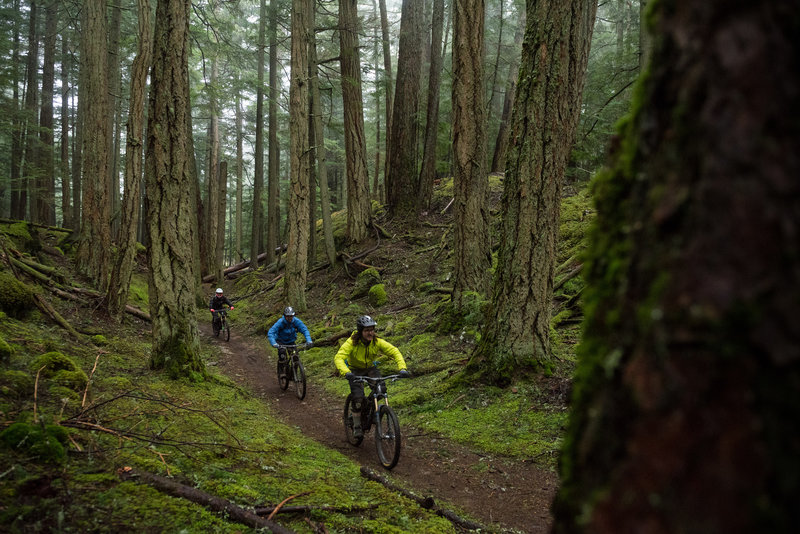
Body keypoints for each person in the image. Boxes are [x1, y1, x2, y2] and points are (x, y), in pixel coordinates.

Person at [334, 315, 410, 437]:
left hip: (370, 368)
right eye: (367, 330)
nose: (370, 333)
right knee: (358, 398)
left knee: (381, 390)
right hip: (355, 370)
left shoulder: (376, 342)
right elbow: (339, 357)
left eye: (372, 330)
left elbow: (394, 351)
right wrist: (346, 372)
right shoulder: (352, 342)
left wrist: (402, 368)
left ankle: (370, 407)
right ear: (360, 331)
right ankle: (357, 425)